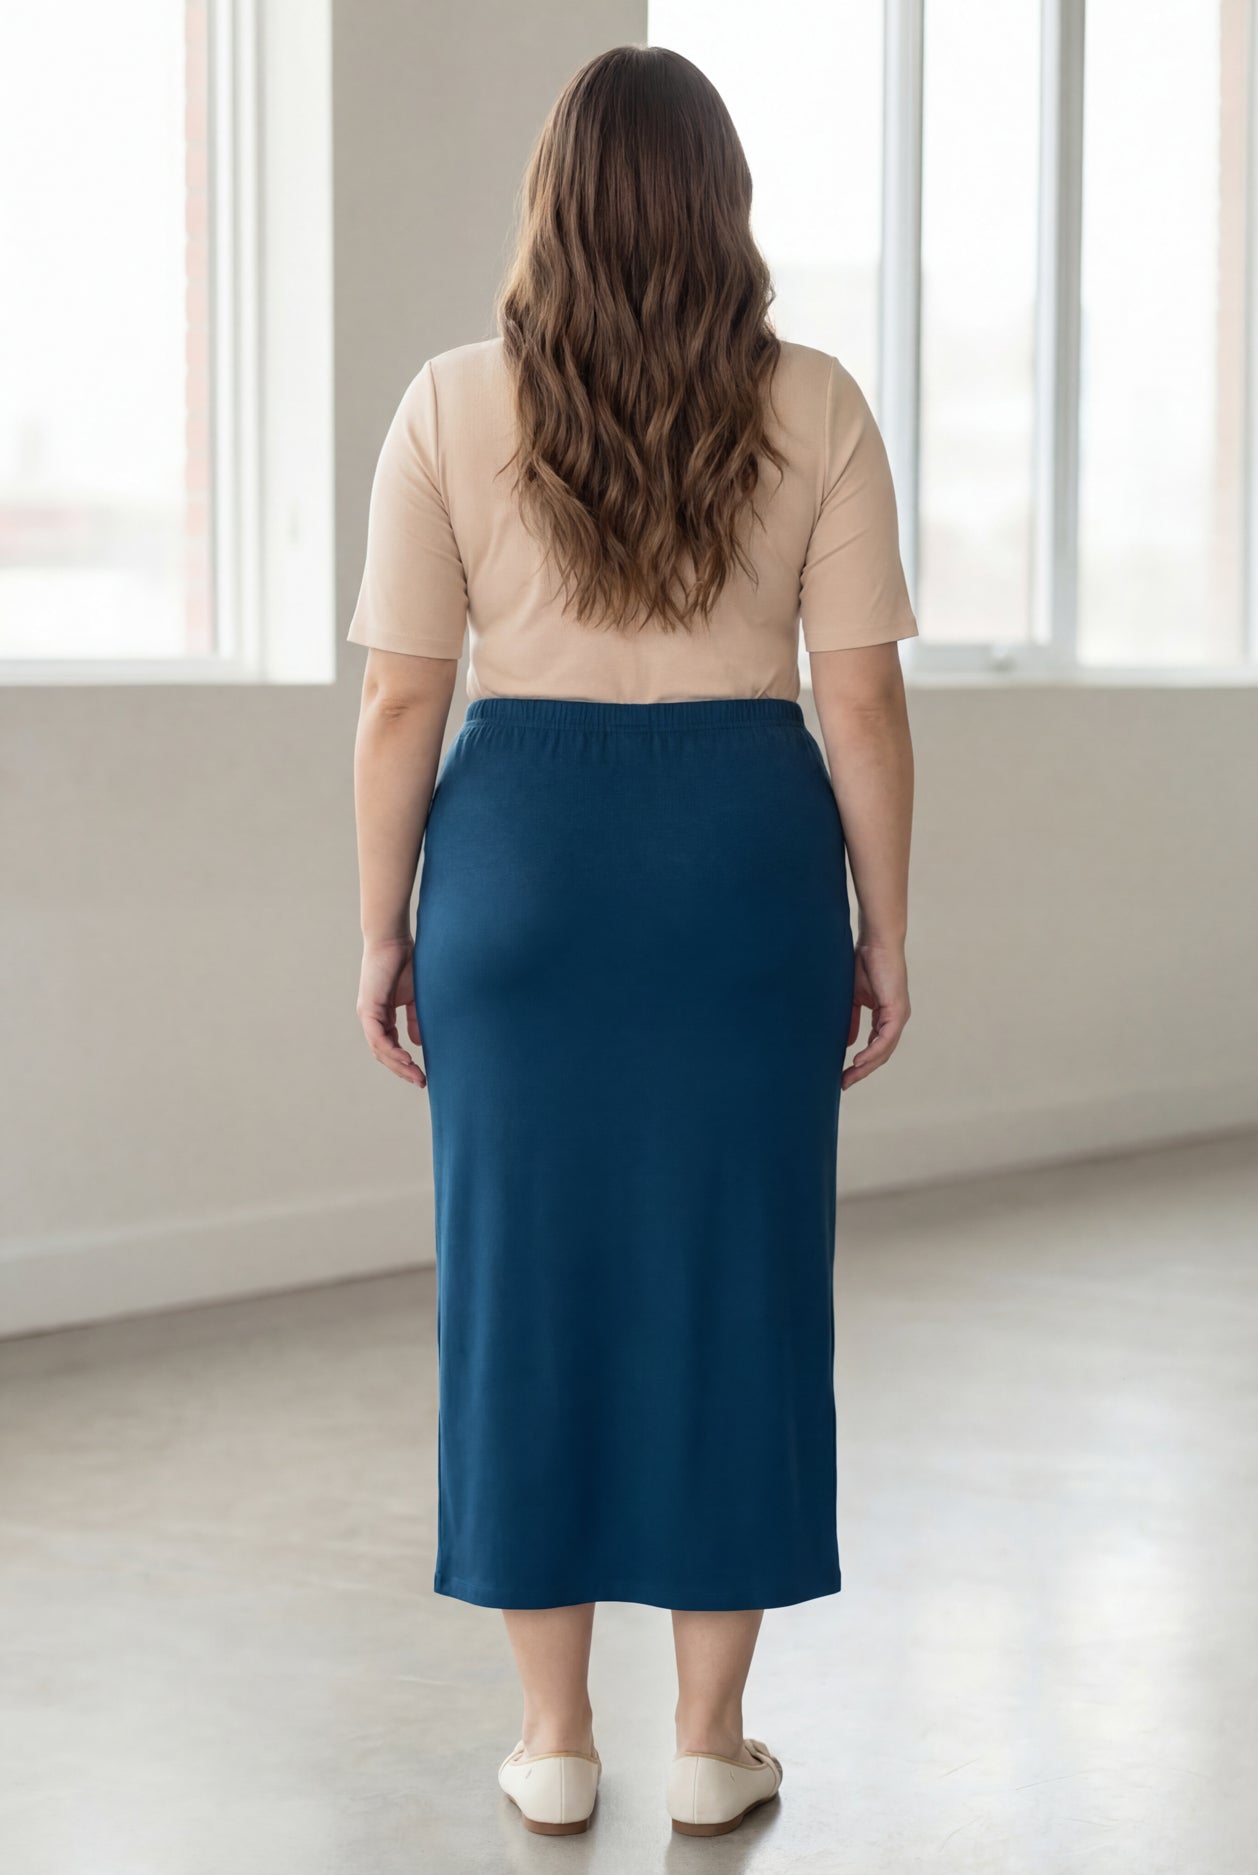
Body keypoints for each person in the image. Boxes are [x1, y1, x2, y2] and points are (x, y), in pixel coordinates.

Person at [348, 44, 916, 1840]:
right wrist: (884, 927)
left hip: (517, 864)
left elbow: (400, 704)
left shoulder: (448, 404)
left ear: (551, 206)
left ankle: (548, 1739)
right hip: (742, 869)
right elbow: (861, 703)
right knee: (738, 1287)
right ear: (722, 208)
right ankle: (708, 1738)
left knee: (521, 1286)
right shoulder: (815, 403)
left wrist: (381, 928)